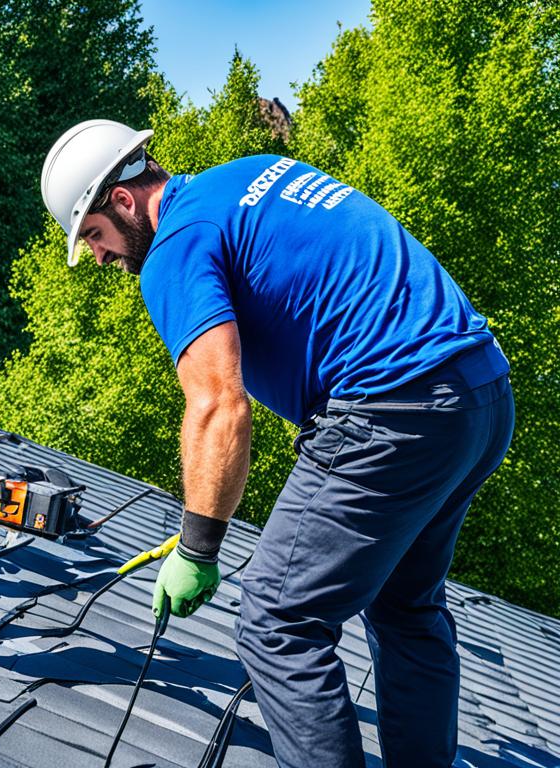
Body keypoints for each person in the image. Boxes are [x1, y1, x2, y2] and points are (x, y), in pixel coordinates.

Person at [41, 119, 513, 767]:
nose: (99, 256)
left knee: (275, 622)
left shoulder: (178, 244)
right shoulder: (251, 173)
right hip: (479, 393)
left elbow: (217, 404)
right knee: (406, 610)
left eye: (93, 235)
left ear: (123, 200)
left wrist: (198, 546)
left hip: (392, 405)